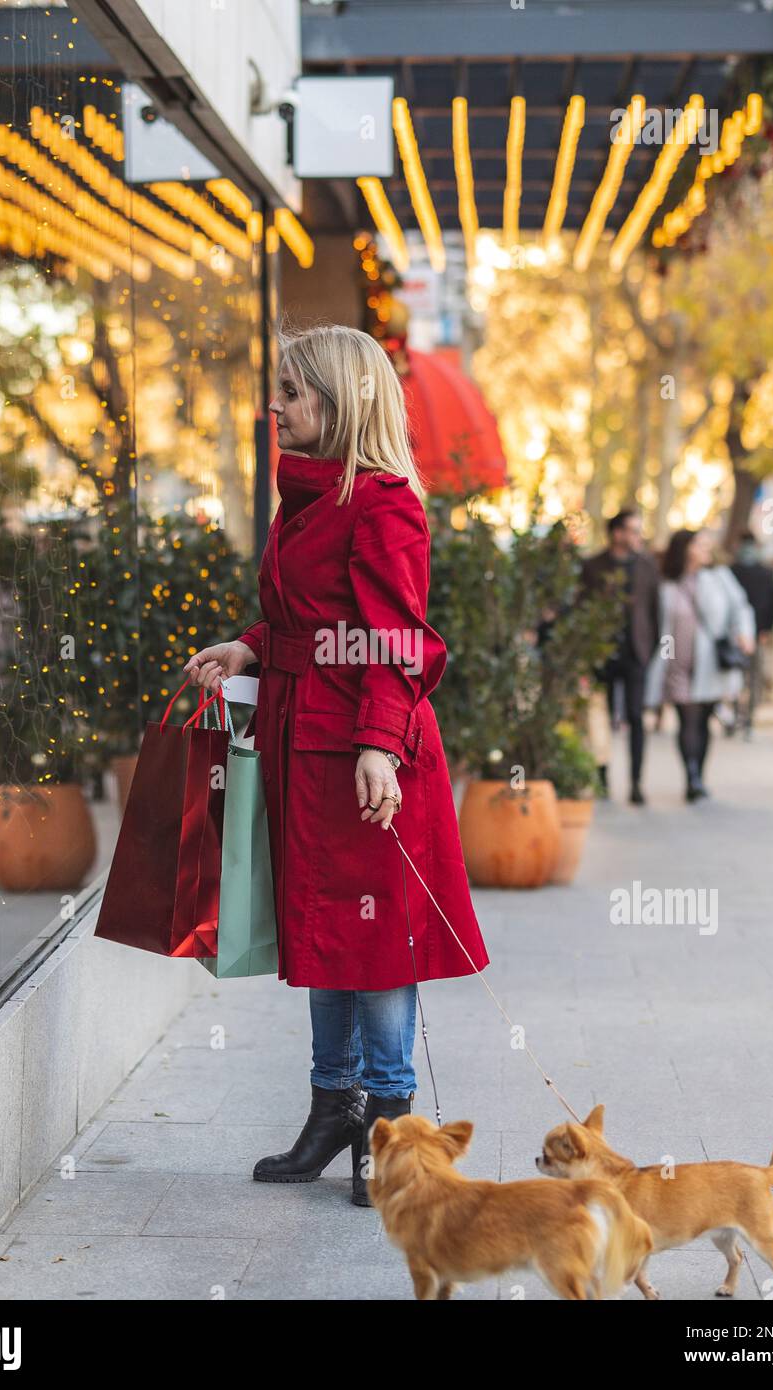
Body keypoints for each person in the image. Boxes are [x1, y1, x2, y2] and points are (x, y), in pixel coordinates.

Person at [182, 324, 489, 1207]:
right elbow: (302, 616)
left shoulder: (385, 502)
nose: (273, 406)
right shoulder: (305, 498)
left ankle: (392, 1136)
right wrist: (247, 647)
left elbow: (396, 641)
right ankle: (334, 1110)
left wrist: (378, 747)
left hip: (365, 759)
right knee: (325, 937)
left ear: (342, 400)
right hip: (304, 747)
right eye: (276, 390)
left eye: (291, 392)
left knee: (380, 943)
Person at [645, 529, 756, 802]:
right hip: (677, 662)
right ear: (685, 548)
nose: (707, 549)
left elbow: (741, 606)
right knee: (687, 717)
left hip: (709, 663)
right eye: (701, 544)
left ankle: (699, 773)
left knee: (704, 718)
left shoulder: (718, 577)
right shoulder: (666, 582)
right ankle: (691, 775)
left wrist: (744, 634)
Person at [582, 509, 660, 805]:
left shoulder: (647, 566)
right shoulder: (592, 566)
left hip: (635, 654)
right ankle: (602, 777)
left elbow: (655, 611)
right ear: (616, 533)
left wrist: (650, 650)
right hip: (601, 655)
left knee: (637, 717)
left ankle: (636, 783)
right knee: (599, 716)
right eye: (632, 530)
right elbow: (582, 608)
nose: (637, 536)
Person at [731, 530, 773, 737]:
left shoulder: (760, 572)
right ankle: (740, 717)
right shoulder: (733, 571)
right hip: (742, 634)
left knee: (748, 678)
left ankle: (743, 718)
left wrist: (766, 630)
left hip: (754, 633)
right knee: (741, 678)